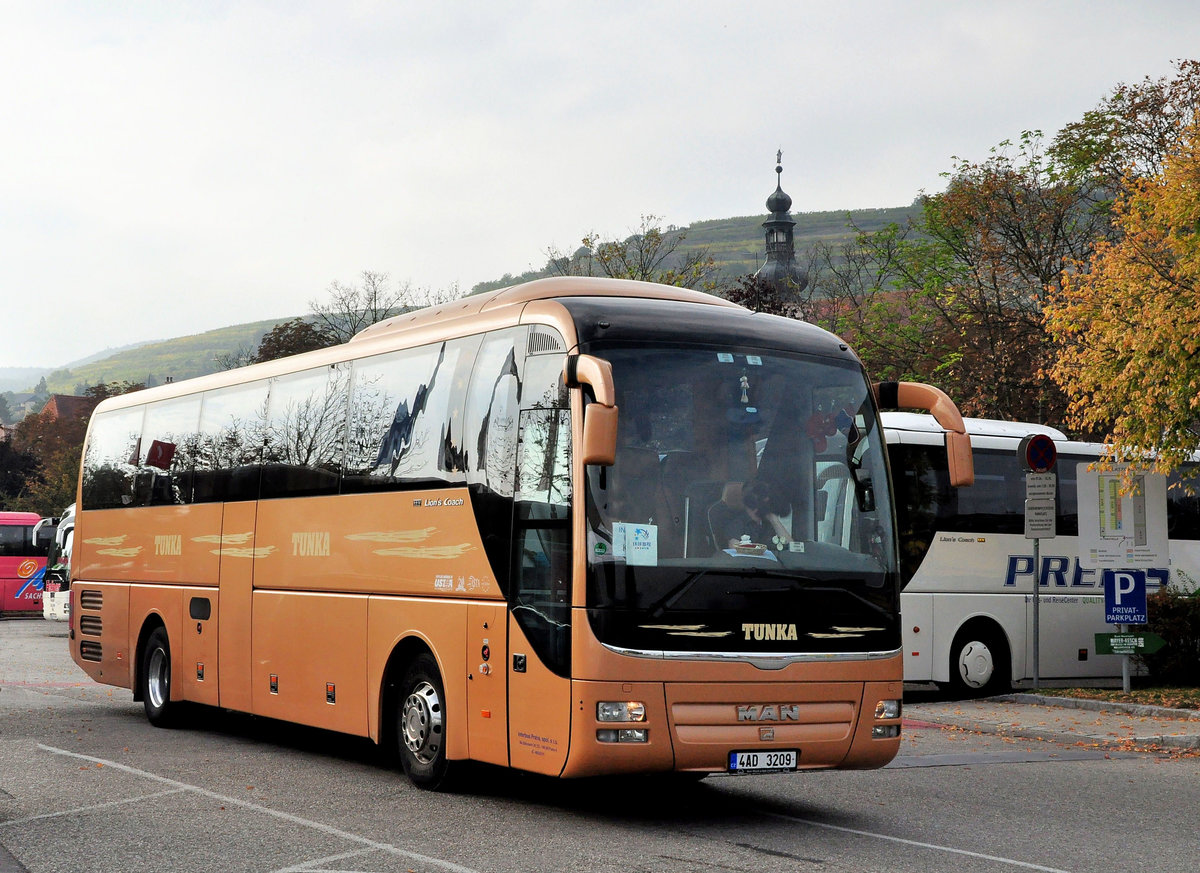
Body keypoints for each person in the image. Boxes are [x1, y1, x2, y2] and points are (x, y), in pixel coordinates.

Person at [715, 479, 792, 550]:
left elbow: (791, 547)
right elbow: (734, 547)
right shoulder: (737, 524)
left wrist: (774, 519)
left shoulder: (767, 523)